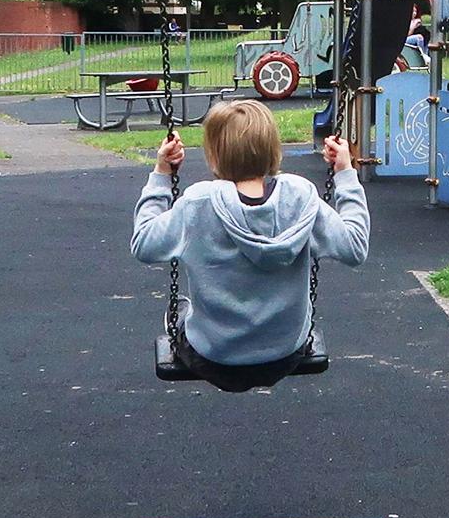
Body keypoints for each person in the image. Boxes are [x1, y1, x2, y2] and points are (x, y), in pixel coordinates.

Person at [130, 98, 369, 390]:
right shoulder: (300, 197)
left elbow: (143, 243)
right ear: (273, 150)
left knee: (179, 312)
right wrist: (345, 173)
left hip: (213, 357)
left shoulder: (197, 203)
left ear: (214, 156)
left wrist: (161, 175)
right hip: (286, 354)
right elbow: (355, 247)